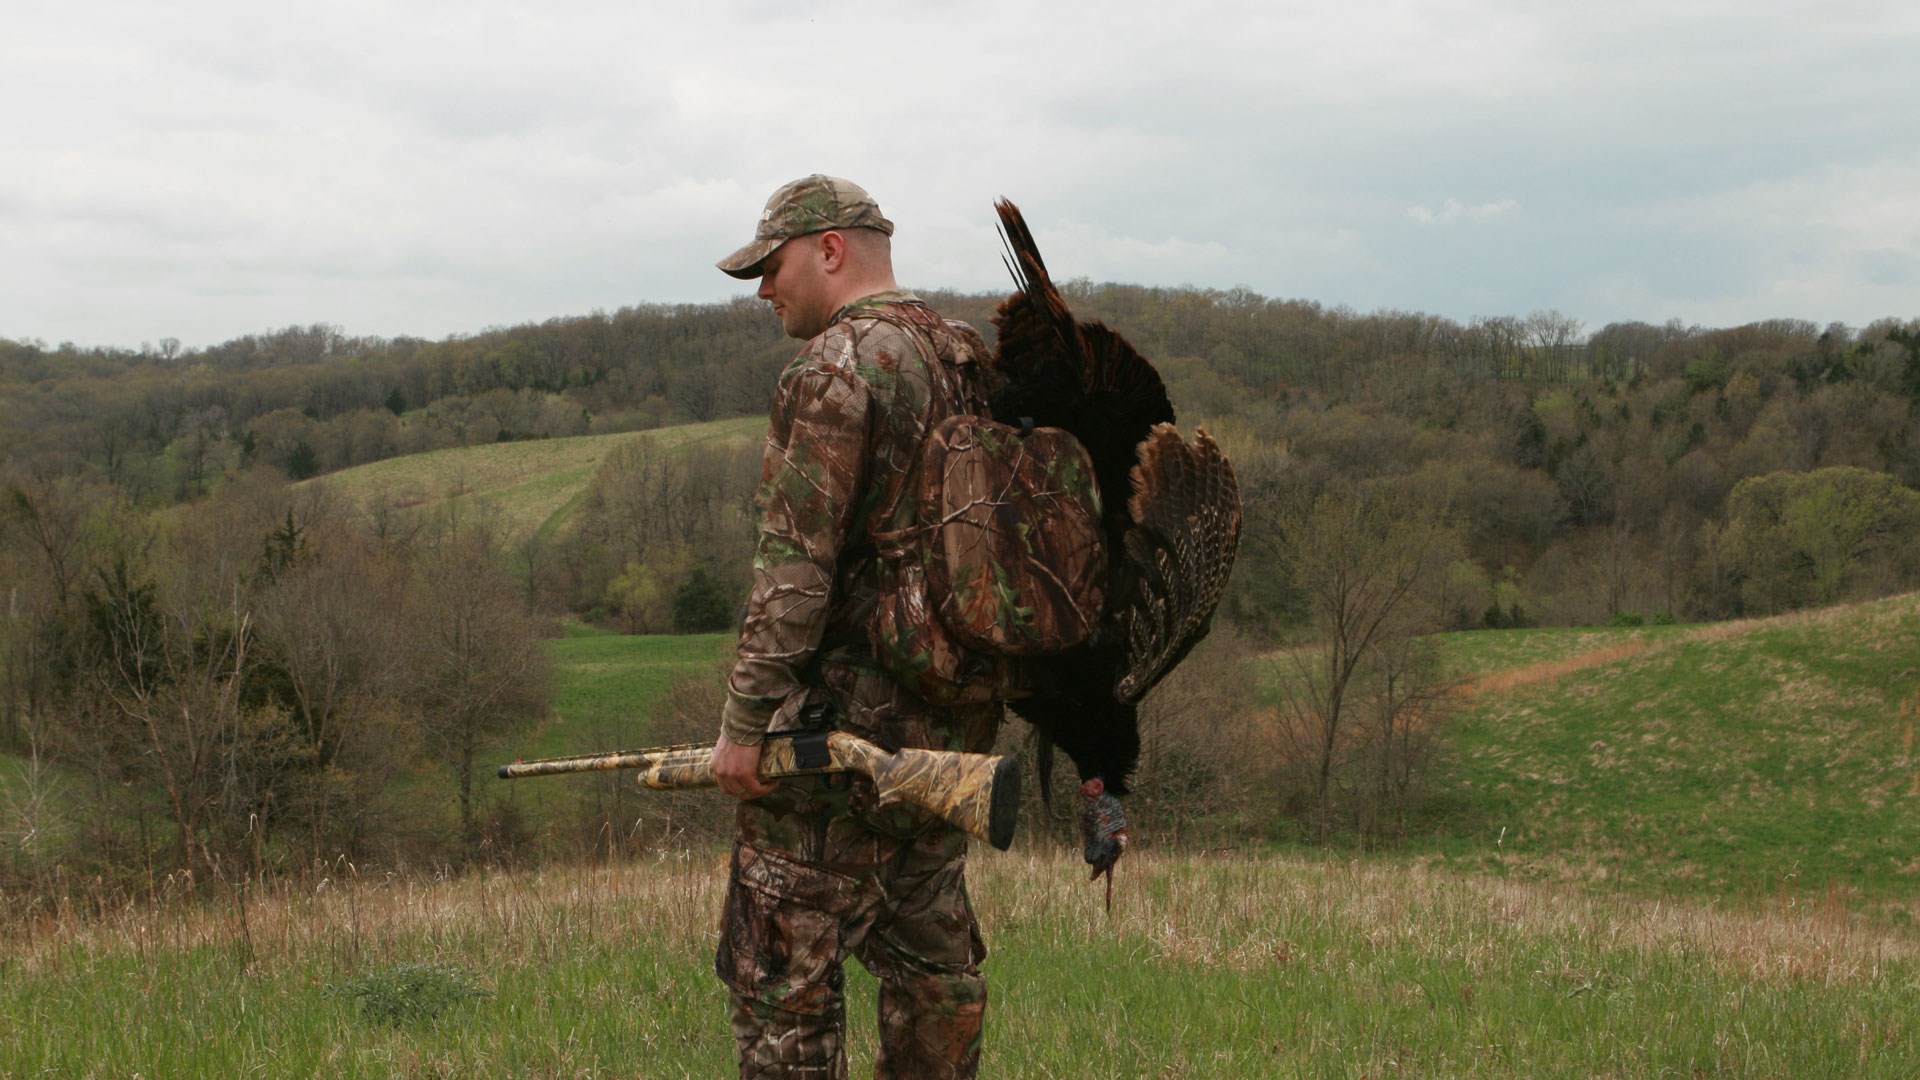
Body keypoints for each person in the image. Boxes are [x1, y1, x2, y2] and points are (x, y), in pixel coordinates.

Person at [708, 175, 1007, 1079]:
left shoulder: (835, 367)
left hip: (831, 751)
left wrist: (742, 727)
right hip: (944, 744)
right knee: (934, 987)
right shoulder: (967, 360)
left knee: (781, 991)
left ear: (830, 250)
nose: (765, 290)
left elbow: (793, 575)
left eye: (773, 266)